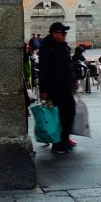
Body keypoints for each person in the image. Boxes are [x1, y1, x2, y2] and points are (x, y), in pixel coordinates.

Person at [38, 21, 76, 154]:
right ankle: (57, 143)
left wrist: (73, 81)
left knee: (69, 113)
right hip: (54, 88)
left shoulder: (63, 46)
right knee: (56, 116)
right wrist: (43, 90)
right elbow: (43, 70)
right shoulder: (47, 47)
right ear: (54, 34)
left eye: (65, 33)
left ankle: (64, 139)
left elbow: (69, 66)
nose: (65, 35)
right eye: (62, 33)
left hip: (65, 86)